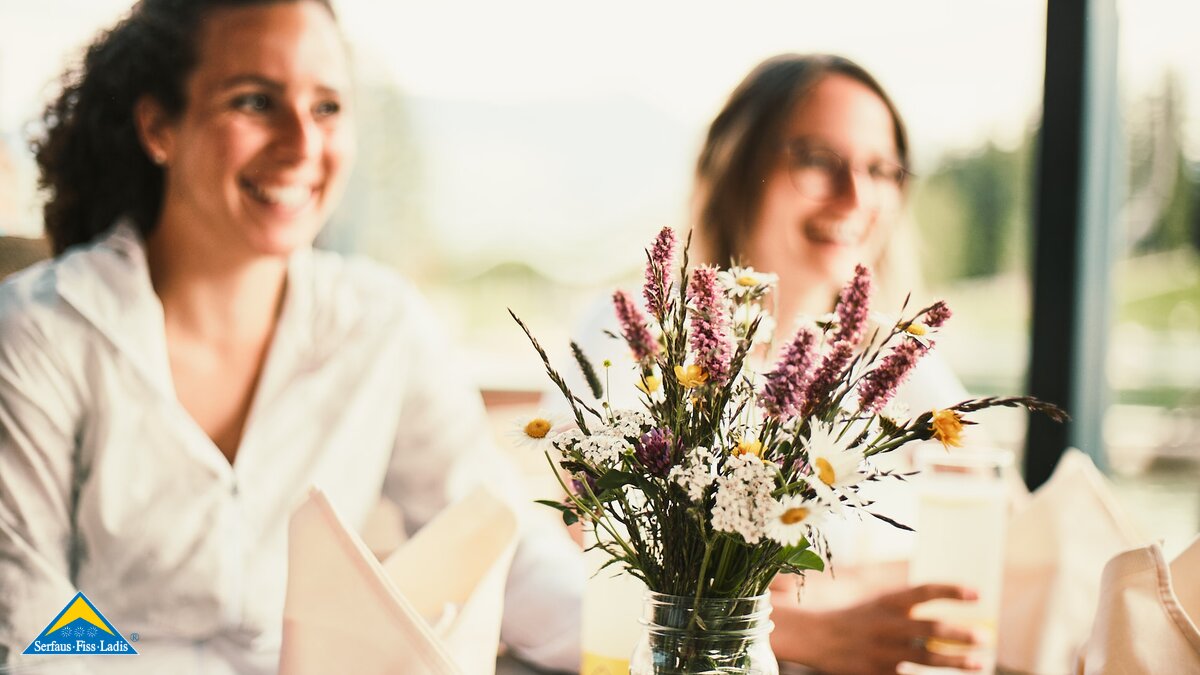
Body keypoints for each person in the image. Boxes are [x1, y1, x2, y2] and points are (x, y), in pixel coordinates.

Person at [0, 0, 581, 671]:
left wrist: (646, 642)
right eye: (254, 101)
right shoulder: (38, 333)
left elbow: (498, 540)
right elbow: (33, 617)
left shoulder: (381, 324)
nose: (303, 144)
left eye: (327, 106)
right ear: (159, 124)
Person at [568, 54, 987, 674]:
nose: (856, 195)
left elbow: (992, 552)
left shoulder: (904, 366)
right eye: (819, 160)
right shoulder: (638, 345)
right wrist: (795, 626)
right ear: (739, 167)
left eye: (881, 169)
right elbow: (584, 569)